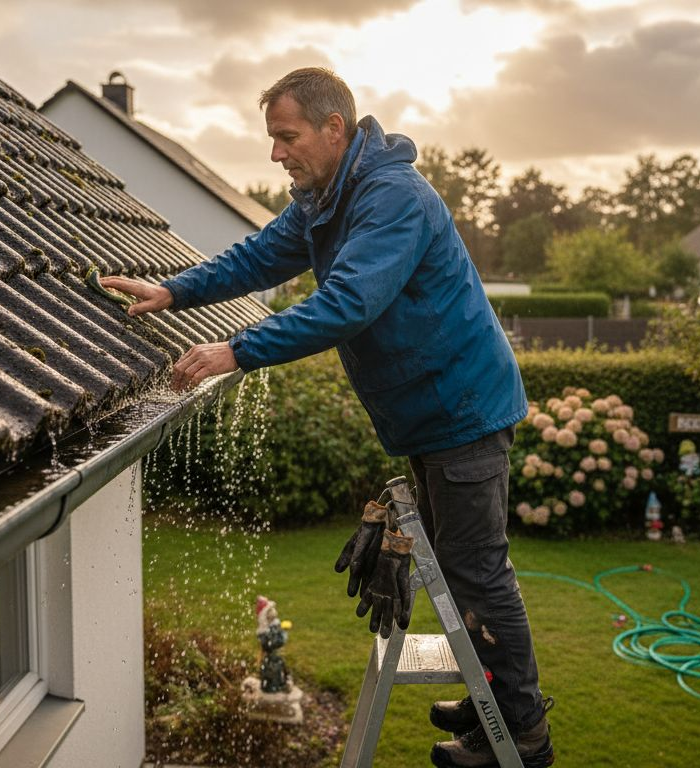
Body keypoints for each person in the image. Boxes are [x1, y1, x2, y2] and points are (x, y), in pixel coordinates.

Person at [101, 67, 553, 768]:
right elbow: (256, 258)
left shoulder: (390, 198)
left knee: (479, 570)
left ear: (333, 128)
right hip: (432, 416)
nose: (276, 154)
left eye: (287, 137)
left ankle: (522, 728)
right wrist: (173, 289)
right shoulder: (324, 201)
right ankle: (488, 690)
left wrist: (239, 350)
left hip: (463, 410)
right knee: (461, 571)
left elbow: (347, 303)